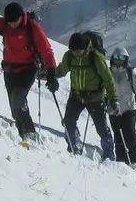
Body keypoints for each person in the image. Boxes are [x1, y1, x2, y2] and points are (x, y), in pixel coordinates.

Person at [0, 2, 56, 143]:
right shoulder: (6, 24)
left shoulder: (32, 28)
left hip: (27, 69)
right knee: (15, 108)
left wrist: (51, 72)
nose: (12, 24)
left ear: (21, 17)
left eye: (14, 21)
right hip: (9, 70)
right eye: (9, 21)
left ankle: (30, 135)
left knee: (18, 98)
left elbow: (47, 51)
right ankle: (23, 137)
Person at [50, 32, 118, 160]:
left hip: (95, 98)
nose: (76, 53)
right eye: (73, 51)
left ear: (85, 48)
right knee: (68, 121)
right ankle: (74, 145)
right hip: (76, 96)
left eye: (78, 51)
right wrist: (49, 75)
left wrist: (113, 99)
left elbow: (108, 79)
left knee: (101, 128)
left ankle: (109, 153)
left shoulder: (96, 57)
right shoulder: (69, 56)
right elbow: (62, 70)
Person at [107, 46, 136, 166]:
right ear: (112, 59)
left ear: (126, 59)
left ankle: (135, 159)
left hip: (129, 108)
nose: (119, 59)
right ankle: (121, 159)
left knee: (130, 133)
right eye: (116, 57)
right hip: (113, 108)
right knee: (118, 135)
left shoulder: (130, 73)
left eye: (122, 57)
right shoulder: (109, 73)